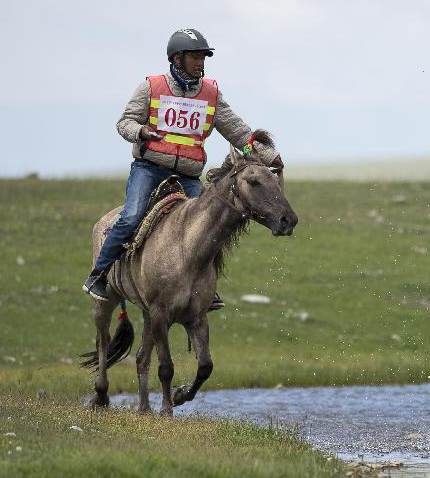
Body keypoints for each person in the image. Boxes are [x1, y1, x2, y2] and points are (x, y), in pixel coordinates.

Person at [82, 28, 282, 308]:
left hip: (188, 174)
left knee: (208, 223)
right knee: (131, 216)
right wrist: (141, 132)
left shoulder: (210, 93)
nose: (200, 63)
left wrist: (269, 155)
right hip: (149, 168)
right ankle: (99, 275)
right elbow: (124, 123)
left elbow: (236, 130)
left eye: (203, 58)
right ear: (177, 59)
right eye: (195, 57)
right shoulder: (151, 87)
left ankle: (204, 288)